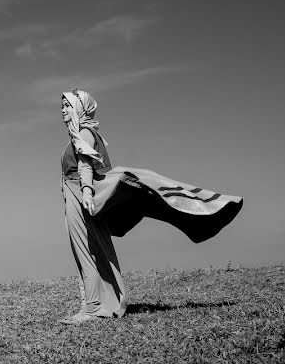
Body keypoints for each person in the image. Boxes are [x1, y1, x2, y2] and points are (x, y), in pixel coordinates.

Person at [58, 88, 243, 324]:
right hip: (72, 195)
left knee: (90, 249)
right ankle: (92, 304)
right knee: (86, 249)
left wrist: (85, 191)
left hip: (80, 195)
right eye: (62, 106)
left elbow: (85, 165)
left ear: (80, 108)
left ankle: (96, 307)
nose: (63, 110)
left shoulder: (84, 132)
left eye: (67, 105)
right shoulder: (80, 132)